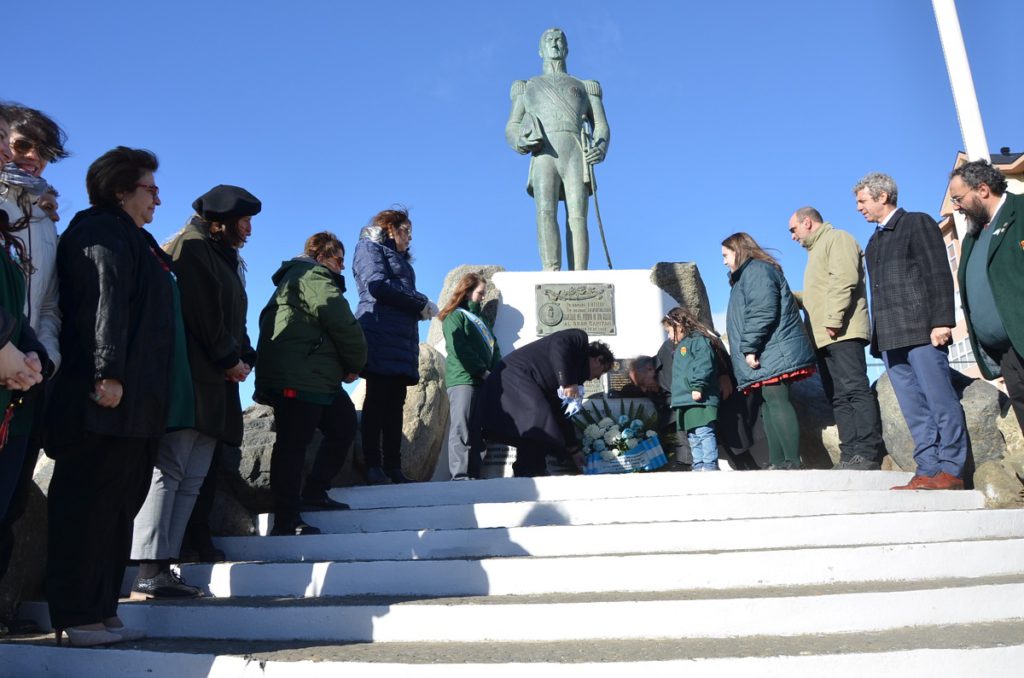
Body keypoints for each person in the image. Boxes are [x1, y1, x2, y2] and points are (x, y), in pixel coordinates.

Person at [45, 147, 175, 646]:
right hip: (100, 399)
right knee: (88, 505)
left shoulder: (136, 239)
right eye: (150, 188)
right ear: (121, 190)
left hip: (135, 404)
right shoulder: (99, 230)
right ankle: (78, 616)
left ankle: (102, 609)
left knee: (119, 504)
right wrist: (108, 372)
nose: (158, 199)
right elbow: (105, 299)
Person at [129, 185, 261, 597]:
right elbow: (200, 314)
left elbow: (233, 316)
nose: (250, 230)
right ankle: (147, 566)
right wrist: (229, 359)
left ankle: (165, 566)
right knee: (169, 471)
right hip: (191, 379)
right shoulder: (193, 249)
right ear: (221, 222)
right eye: (244, 221)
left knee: (193, 477)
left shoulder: (224, 255)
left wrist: (245, 355)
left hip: (217, 383)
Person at [855, 172, 967, 491]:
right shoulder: (874, 241)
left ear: (882, 197)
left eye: (862, 201)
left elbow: (938, 272)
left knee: (940, 402)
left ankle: (952, 469)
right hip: (890, 338)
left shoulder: (916, 222)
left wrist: (942, 321)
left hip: (922, 331)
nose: (859, 208)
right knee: (914, 410)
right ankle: (928, 469)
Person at [0, 104, 64, 637]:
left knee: (11, 499)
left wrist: (41, 356)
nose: (31, 160)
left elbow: (46, 304)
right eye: (23, 146)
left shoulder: (43, 219)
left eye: (42, 153)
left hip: (27, 374)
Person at [257, 231, 367, 535]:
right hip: (301, 377)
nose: (342, 266)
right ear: (320, 256)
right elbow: (340, 320)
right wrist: (356, 362)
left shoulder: (299, 278)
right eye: (338, 259)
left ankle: (315, 491)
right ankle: (286, 518)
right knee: (292, 446)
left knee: (343, 427)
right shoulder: (312, 276)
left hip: (317, 377)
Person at [505, 27, 610, 271]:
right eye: (549, 40)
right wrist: (520, 141)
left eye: (559, 40)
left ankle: (579, 275)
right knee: (545, 212)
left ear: (567, 48)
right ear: (540, 50)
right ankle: (551, 272)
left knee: (577, 216)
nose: (554, 43)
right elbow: (512, 125)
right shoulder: (527, 86)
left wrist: (601, 147)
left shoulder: (584, 86)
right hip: (544, 152)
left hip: (575, 149)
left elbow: (601, 125)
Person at [788, 206, 884, 470]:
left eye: (793, 230)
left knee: (854, 389)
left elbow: (845, 280)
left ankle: (867, 452)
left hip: (842, 332)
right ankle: (849, 453)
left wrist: (833, 320)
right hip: (824, 337)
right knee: (838, 396)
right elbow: (816, 296)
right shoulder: (815, 252)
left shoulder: (837, 239)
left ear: (807, 222)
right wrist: (789, 295)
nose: (793, 237)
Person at [352, 208, 436, 485]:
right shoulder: (370, 248)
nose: (410, 238)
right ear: (391, 228)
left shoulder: (400, 260)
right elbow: (377, 285)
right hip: (379, 333)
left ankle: (393, 466)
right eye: (406, 231)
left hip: (400, 340)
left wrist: (416, 304)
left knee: (395, 404)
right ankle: (373, 465)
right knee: (377, 401)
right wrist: (419, 302)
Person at [722, 232, 816, 470]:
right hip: (768, 350)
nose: (724, 261)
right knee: (769, 404)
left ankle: (792, 460)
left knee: (777, 400)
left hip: (770, 349)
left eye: (726, 255)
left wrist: (750, 348)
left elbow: (763, 310)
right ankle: (779, 460)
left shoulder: (756, 271)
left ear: (738, 250)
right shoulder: (746, 276)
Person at [949, 160, 1024, 433]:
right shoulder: (971, 238)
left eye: (958, 198)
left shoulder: (1021, 211)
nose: (956, 206)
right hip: (1007, 355)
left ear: (982, 190)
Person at [481, 329, 614, 477]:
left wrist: (574, 450)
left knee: (545, 422)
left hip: (525, 384)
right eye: (602, 371)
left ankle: (532, 471)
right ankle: (529, 471)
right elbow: (559, 344)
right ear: (599, 359)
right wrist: (567, 383)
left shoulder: (572, 379)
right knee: (539, 416)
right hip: (512, 376)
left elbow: (562, 414)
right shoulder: (578, 339)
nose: (596, 378)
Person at [439, 272, 502, 480]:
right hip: (463, 380)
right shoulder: (455, 316)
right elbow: (461, 349)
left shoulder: (482, 319)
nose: (483, 297)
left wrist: (493, 372)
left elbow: (494, 347)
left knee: (478, 430)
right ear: (466, 292)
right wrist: (481, 370)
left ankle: (474, 473)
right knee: (462, 427)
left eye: (484, 294)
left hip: (483, 381)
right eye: (480, 293)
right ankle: (459, 474)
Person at [665, 307, 721, 471]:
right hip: (686, 399)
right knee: (693, 435)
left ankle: (710, 465)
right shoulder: (682, 345)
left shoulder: (698, 341)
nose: (668, 336)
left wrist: (698, 386)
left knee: (704, 431)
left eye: (669, 331)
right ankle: (699, 465)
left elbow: (704, 364)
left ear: (679, 326)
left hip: (699, 398)